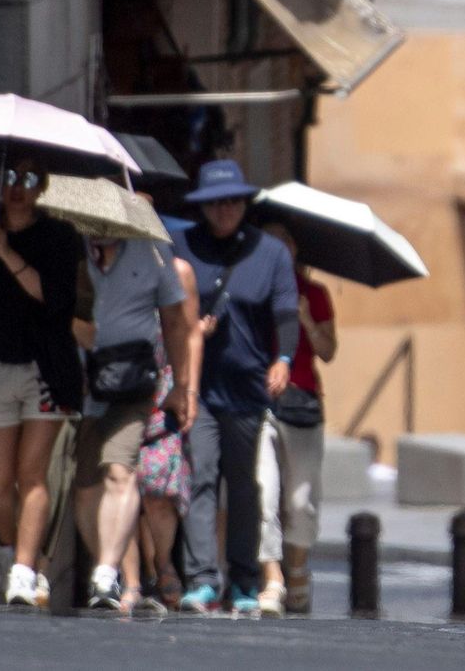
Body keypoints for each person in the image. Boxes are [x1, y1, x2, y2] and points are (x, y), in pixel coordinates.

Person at [0, 157, 84, 606]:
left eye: (28, 179)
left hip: (44, 368)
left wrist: (7, 252)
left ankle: (25, 572)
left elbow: (57, 302)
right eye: (8, 176)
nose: (16, 187)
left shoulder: (60, 237)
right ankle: (12, 553)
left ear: (41, 186)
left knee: (31, 474)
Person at [170, 159, 298, 616]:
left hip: (247, 390)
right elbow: (166, 308)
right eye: (215, 203)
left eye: (233, 201)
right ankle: (203, 579)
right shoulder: (181, 245)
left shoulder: (271, 253)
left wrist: (283, 359)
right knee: (200, 479)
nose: (224, 210)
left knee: (244, 487)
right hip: (198, 389)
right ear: (202, 207)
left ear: (245, 203)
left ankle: (243, 580)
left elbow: (286, 313)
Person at [73, 231, 197, 612]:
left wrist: (181, 384)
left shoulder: (155, 254)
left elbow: (176, 323)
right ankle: (106, 565)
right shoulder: (73, 250)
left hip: (134, 381)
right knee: (85, 487)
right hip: (79, 383)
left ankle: (107, 574)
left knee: (121, 472)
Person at [255, 221, 335, 617]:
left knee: (300, 501)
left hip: (302, 404)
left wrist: (304, 319)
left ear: (293, 250)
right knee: (261, 492)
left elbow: (328, 350)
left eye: (282, 244)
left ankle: (298, 567)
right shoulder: (253, 289)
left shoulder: (315, 294)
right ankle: (273, 577)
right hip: (260, 401)